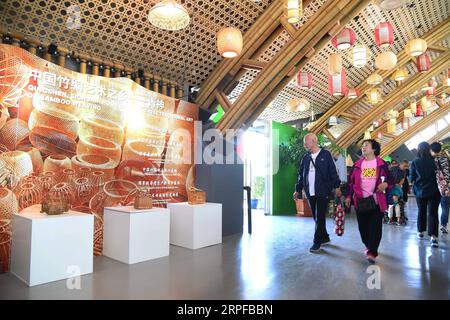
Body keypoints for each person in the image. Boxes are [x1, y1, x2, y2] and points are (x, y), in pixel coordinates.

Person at [293, 133, 341, 253]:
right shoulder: (306, 157)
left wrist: (337, 186)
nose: (304, 144)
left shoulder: (326, 154)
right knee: (316, 217)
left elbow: (333, 172)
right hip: (310, 192)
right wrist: (297, 189)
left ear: (314, 141)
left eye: (306, 141)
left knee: (319, 216)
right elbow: (301, 175)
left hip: (323, 190)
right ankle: (324, 237)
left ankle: (317, 242)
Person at [346, 139, 392, 263]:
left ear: (374, 149)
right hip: (360, 202)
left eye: (366, 145)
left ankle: (372, 251)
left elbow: (391, 179)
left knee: (375, 228)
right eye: (363, 146)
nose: (363, 147)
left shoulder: (381, 164)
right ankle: (368, 245)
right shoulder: (357, 165)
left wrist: (386, 184)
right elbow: (351, 183)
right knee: (363, 228)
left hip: (377, 201)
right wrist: (348, 196)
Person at [409, 142, 441, 248]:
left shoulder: (415, 162)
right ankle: (433, 237)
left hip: (420, 191)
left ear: (418, 149)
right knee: (433, 213)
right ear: (429, 149)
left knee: (421, 211)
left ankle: (420, 231)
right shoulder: (435, 161)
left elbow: (411, 178)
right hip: (434, 191)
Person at [430, 142, 450, 234]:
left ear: (431, 150)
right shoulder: (446, 159)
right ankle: (443, 225)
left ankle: (431, 226)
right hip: (445, 187)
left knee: (432, 208)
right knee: (445, 207)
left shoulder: (430, 160)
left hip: (433, 187)